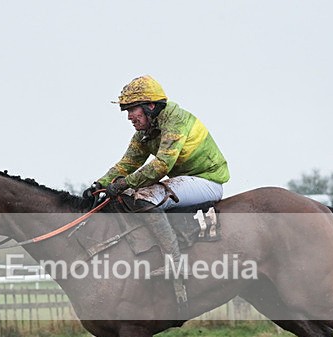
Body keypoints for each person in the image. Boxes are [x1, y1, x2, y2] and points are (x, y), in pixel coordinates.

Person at [84, 75, 230, 309]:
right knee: (132, 196)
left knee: (145, 196)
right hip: (186, 180)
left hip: (207, 181)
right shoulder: (146, 131)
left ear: (150, 106)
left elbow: (161, 166)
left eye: (132, 110)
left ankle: (175, 264)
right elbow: (127, 164)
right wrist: (100, 183)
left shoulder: (175, 120)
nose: (129, 117)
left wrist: (122, 184)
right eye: (127, 111)